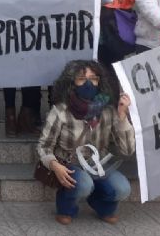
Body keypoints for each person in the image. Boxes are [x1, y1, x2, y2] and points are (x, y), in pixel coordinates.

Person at [37, 60, 134, 225]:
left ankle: (102, 206)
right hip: (69, 163)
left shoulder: (109, 110)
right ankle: (66, 208)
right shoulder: (61, 111)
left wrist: (122, 116)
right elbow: (43, 146)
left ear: (100, 82)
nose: (89, 83)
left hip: (98, 164)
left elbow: (127, 150)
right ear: (72, 83)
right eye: (82, 79)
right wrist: (55, 165)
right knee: (83, 184)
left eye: (93, 78)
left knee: (122, 188)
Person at [2, 0, 43, 136]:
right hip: (7, 25)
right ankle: (9, 116)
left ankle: (27, 116)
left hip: (33, 26)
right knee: (9, 73)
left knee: (31, 72)